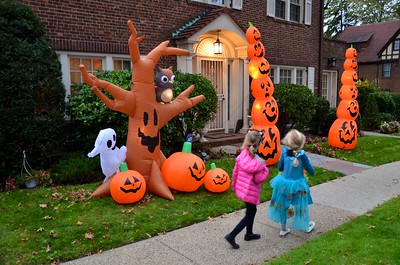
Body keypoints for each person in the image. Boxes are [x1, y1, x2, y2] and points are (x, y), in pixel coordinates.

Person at [225, 130, 269, 249]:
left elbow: (235, 173)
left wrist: (234, 186)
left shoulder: (242, 155)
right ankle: (232, 235)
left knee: (251, 211)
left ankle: (249, 234)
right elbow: (258, 179)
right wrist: (266, 171)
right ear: (258, 143)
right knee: (250, 213)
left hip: (243, 190)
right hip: (251, 191)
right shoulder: (259, 162)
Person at [267, 129, 316, 237]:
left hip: (284, 184)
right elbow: (312, 172)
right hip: (298, 185)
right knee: (301, 205)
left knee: (283, 205)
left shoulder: (284, 153)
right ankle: (305, 225)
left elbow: (280, 167)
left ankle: (283, 228)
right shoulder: (303, 156)